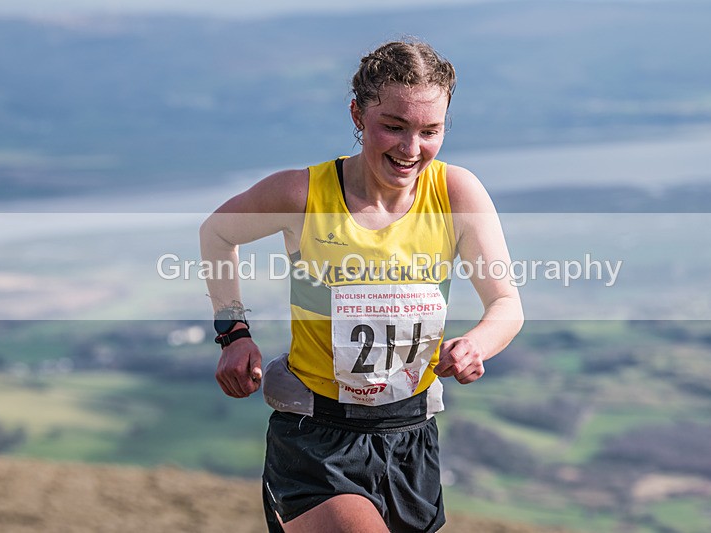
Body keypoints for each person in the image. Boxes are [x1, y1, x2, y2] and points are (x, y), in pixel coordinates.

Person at [199, 39, 523, 533]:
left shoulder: (457, 192)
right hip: (316, 438)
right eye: (393, 127)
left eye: (430, 131)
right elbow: (218, 232)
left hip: (411, 434)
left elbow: (505, 304)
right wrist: (233, 332)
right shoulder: (301, 193)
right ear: (357, 114)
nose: (411, 149)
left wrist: (477, 344)